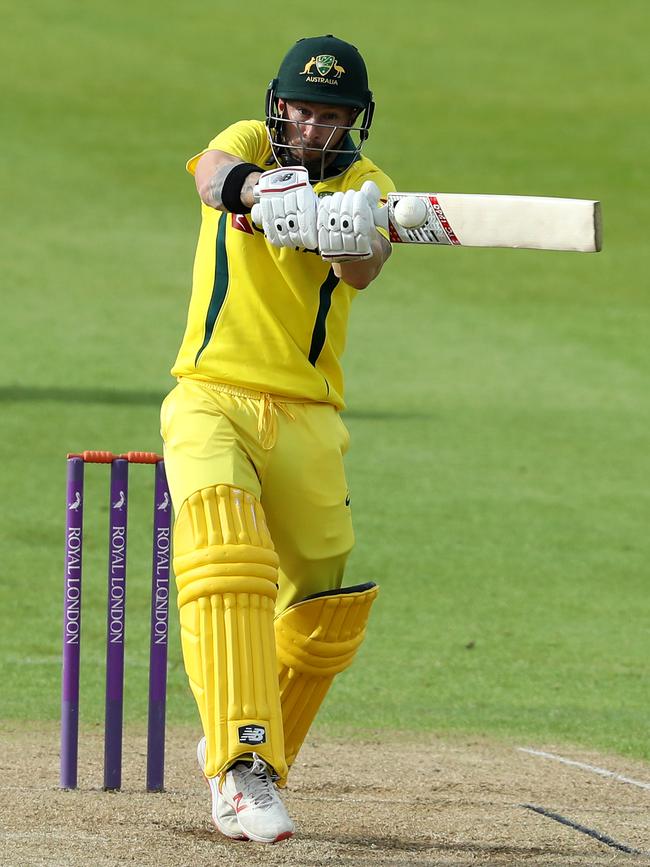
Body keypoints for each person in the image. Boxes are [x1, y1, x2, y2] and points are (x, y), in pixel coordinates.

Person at [161, 34, 395, 844]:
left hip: (308, 414)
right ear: (279, 105)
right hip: (209, 396)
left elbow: (365, 268)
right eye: (304, 109)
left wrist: (344, 230)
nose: (316, 128)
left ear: (352, 121)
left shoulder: (368, 184)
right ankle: (240, 766)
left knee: (329, 608)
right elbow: (208, 175)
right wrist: (260, 193)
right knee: (227, 558)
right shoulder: (249, 141)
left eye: (333, 116)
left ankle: (242, 738)